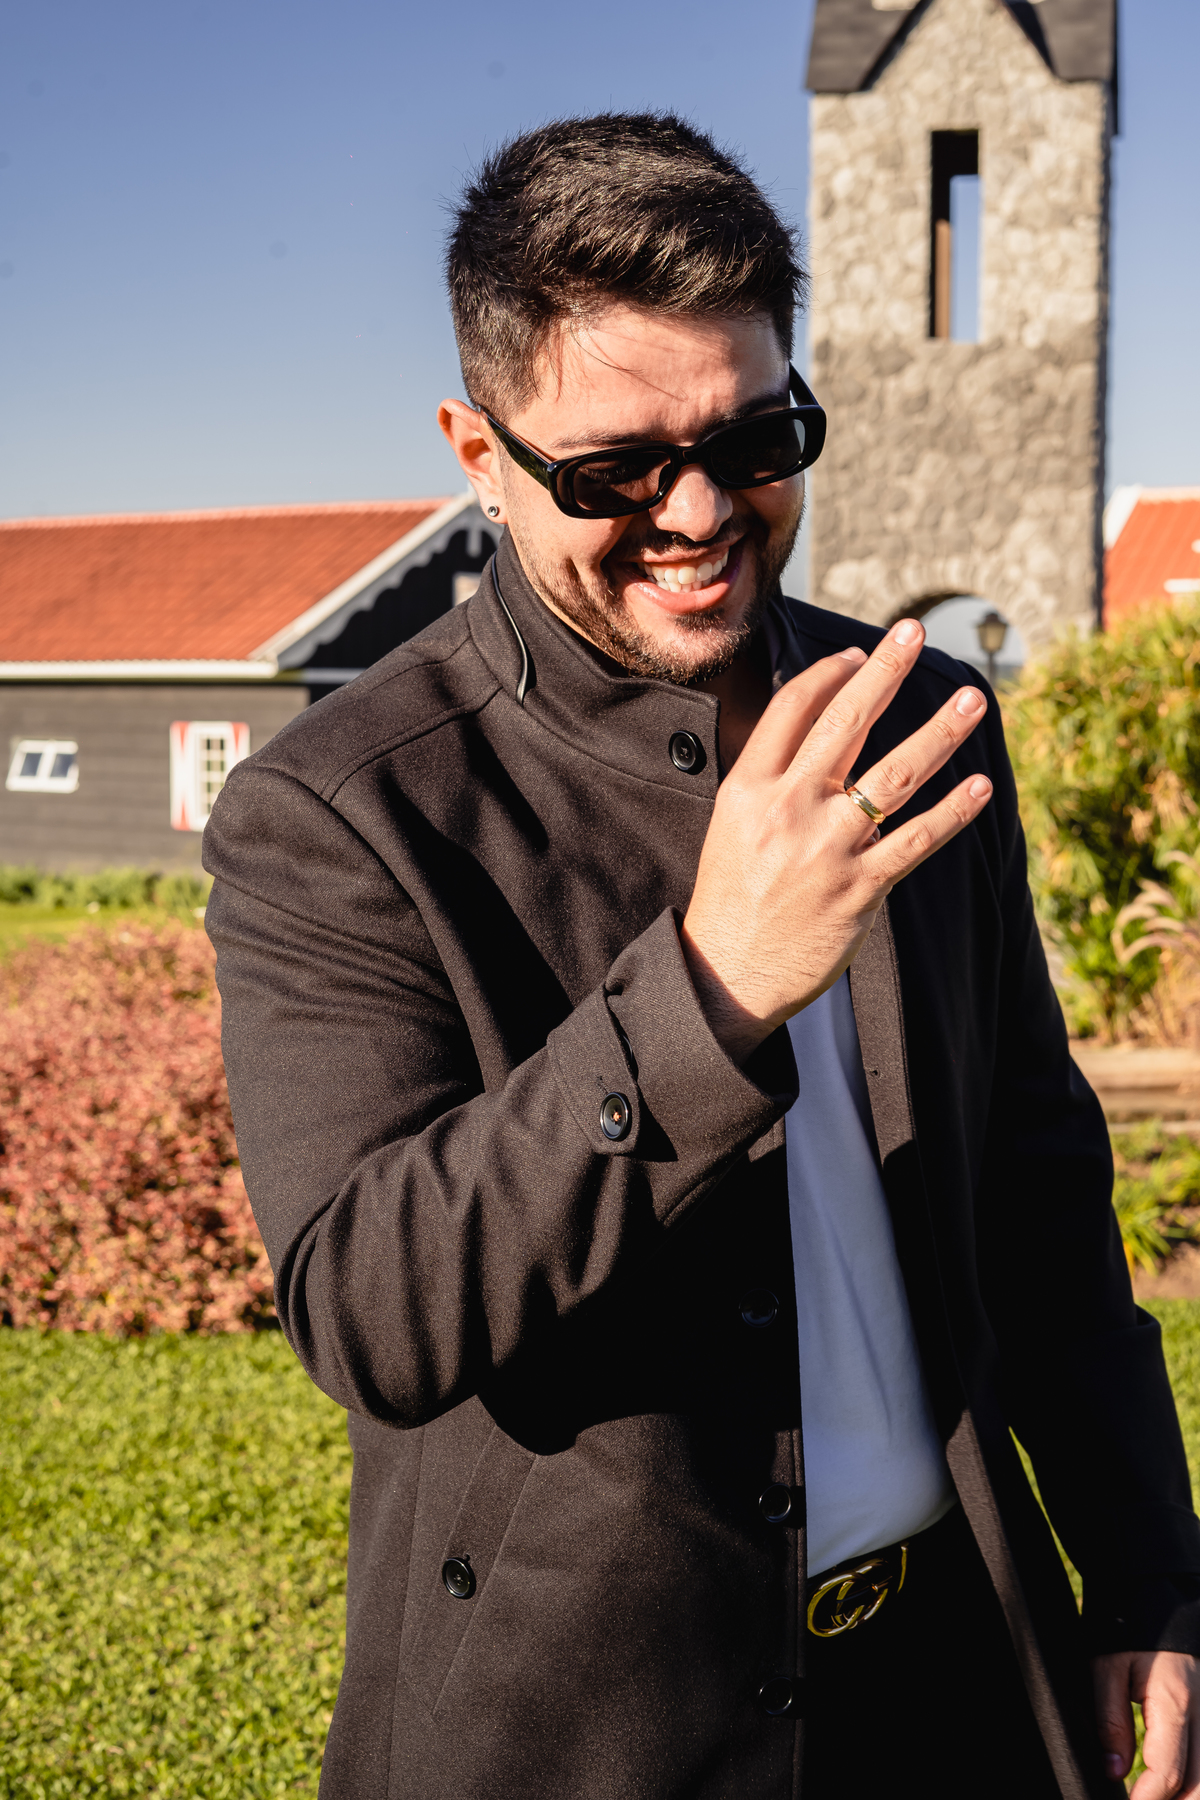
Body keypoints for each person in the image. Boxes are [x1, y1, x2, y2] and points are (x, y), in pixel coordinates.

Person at [203, 113, 1200, 1799]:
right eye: (614, 472)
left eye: (755, 437)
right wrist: (714, 985)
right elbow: (374, 1310)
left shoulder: (921, 721)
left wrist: (1150, 1573)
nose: (700, 511)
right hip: (581, 1725)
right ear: (477, 450)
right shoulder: (344, 810)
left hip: (957, 1686)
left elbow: (1038, 1187)